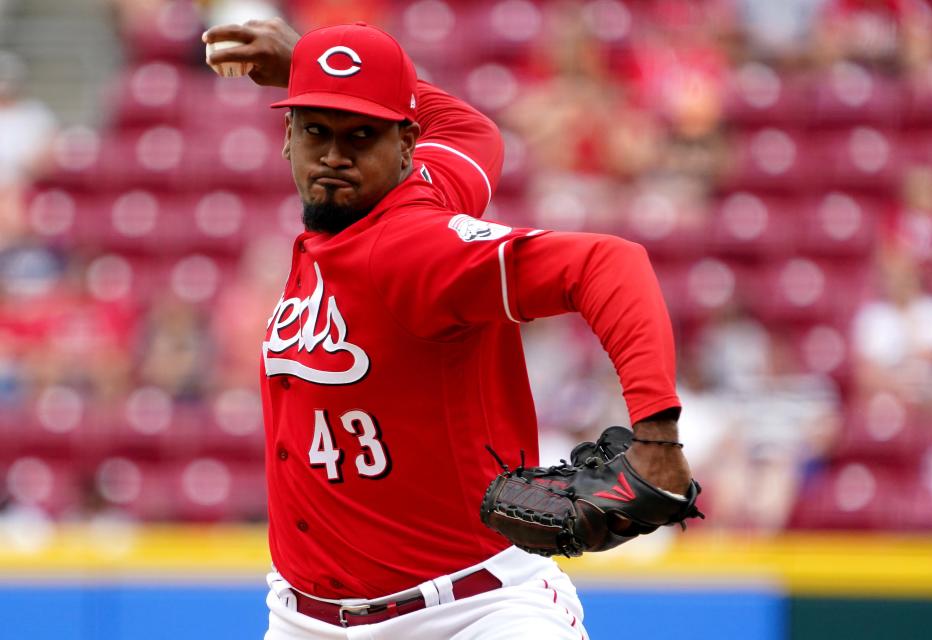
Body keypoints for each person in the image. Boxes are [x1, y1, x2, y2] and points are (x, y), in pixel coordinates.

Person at [203, 17, 695, 639]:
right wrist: (312, 61)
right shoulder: (427, 188)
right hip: (305, 620)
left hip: (471, 614)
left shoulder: (419, 249)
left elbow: (610, 263)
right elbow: (469, 129)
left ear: (405, 145)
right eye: (316, 131)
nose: (333, 156)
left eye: (361, 136)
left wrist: (657, 436)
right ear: (286, 136)